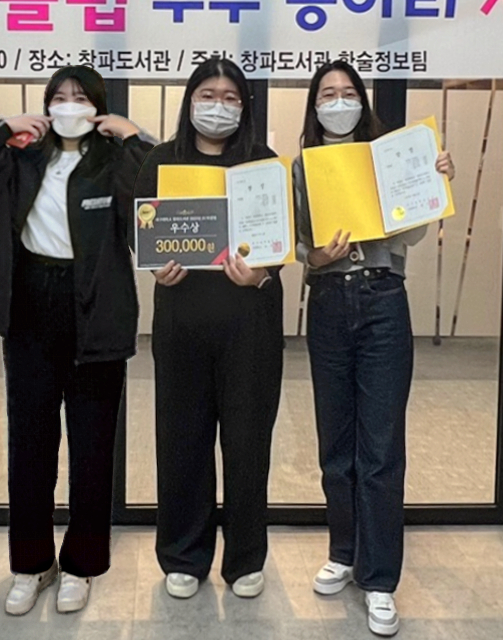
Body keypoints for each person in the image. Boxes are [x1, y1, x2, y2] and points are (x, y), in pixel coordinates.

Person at [0, 65, 151, 616]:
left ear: (98, 107)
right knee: (30, 444)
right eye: (59, 97)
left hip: (97, 308)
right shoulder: (22, 154)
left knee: (92, 447)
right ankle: (31, 564)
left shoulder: (111, 159)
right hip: (30, 304)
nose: (69, 106)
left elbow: (157, 189)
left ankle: (82, 565)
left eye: (81, 98)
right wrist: (7, 125)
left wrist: (132, 135)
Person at [293, 60, 453, 637]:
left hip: (383, 298)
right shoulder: (303, 166)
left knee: (381, 448)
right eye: (327, 94)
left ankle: (380, 577)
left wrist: (432, 182)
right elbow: (300, 245)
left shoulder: (390, 155)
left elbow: (412, 232)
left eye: (348, 92)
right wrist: (318, 256)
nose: (339, 102)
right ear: (314, 107)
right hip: (329, 301)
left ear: (363, 100)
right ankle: (344, 550)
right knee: (335, 442)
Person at [134, 57, 284, 601]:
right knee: (183, 440)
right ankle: (183, 554)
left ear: (244, 106)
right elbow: (139, 229)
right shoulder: (161, 160)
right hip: (183, 319)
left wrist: (263, 272)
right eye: (207, 95)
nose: (218, 107)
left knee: (247, 443)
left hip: (250, 322)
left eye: (230, 98)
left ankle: (245, 557)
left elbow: (279, 239)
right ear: (190, 100)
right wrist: (155, 265)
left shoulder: (262, 162)